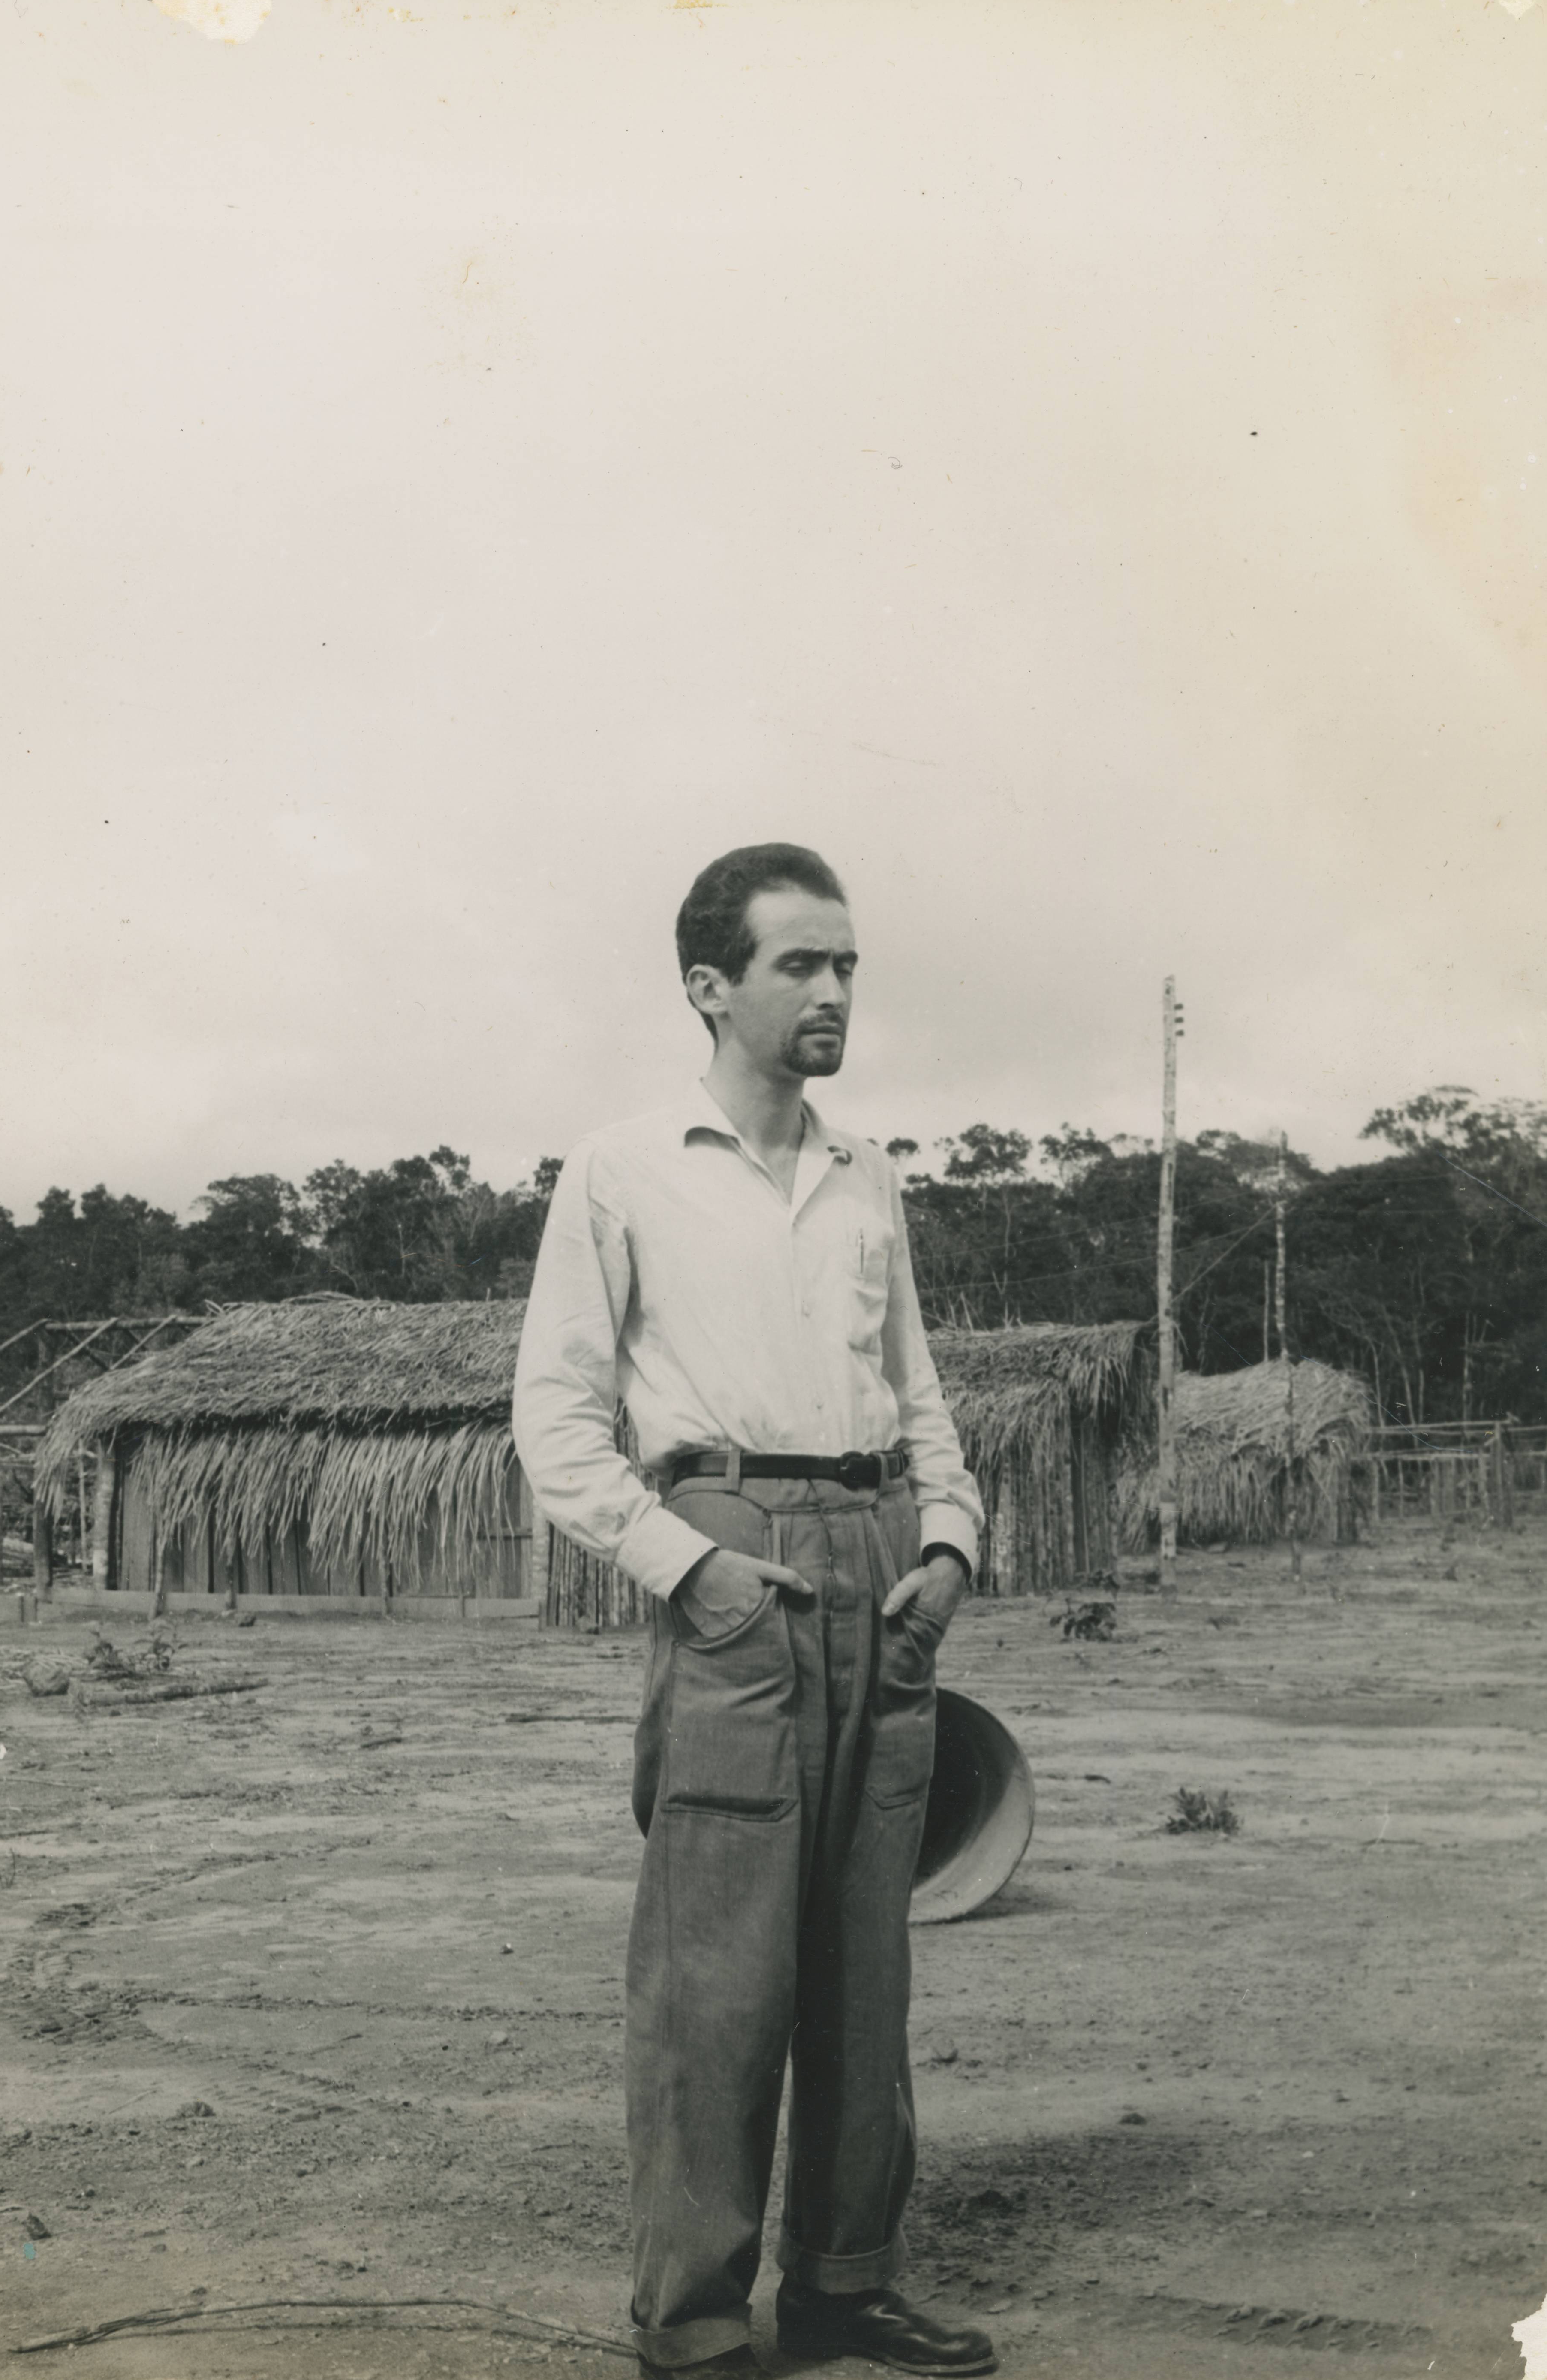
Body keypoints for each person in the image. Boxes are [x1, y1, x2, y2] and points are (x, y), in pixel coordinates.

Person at [512, 843, 996, 2378]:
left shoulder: (869, 1178)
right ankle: (697, 2319)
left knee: (867, 1961)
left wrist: (949, 1547)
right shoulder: (622, 1166)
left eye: (846, 963)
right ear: (709, 986)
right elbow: (556, 1424)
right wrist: (692, 1568)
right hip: (730, 1558)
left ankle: (845, 2284)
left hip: (879, 1568)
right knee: (717, 1974)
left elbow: (918, 1395)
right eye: (799, 964)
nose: (834, 990)